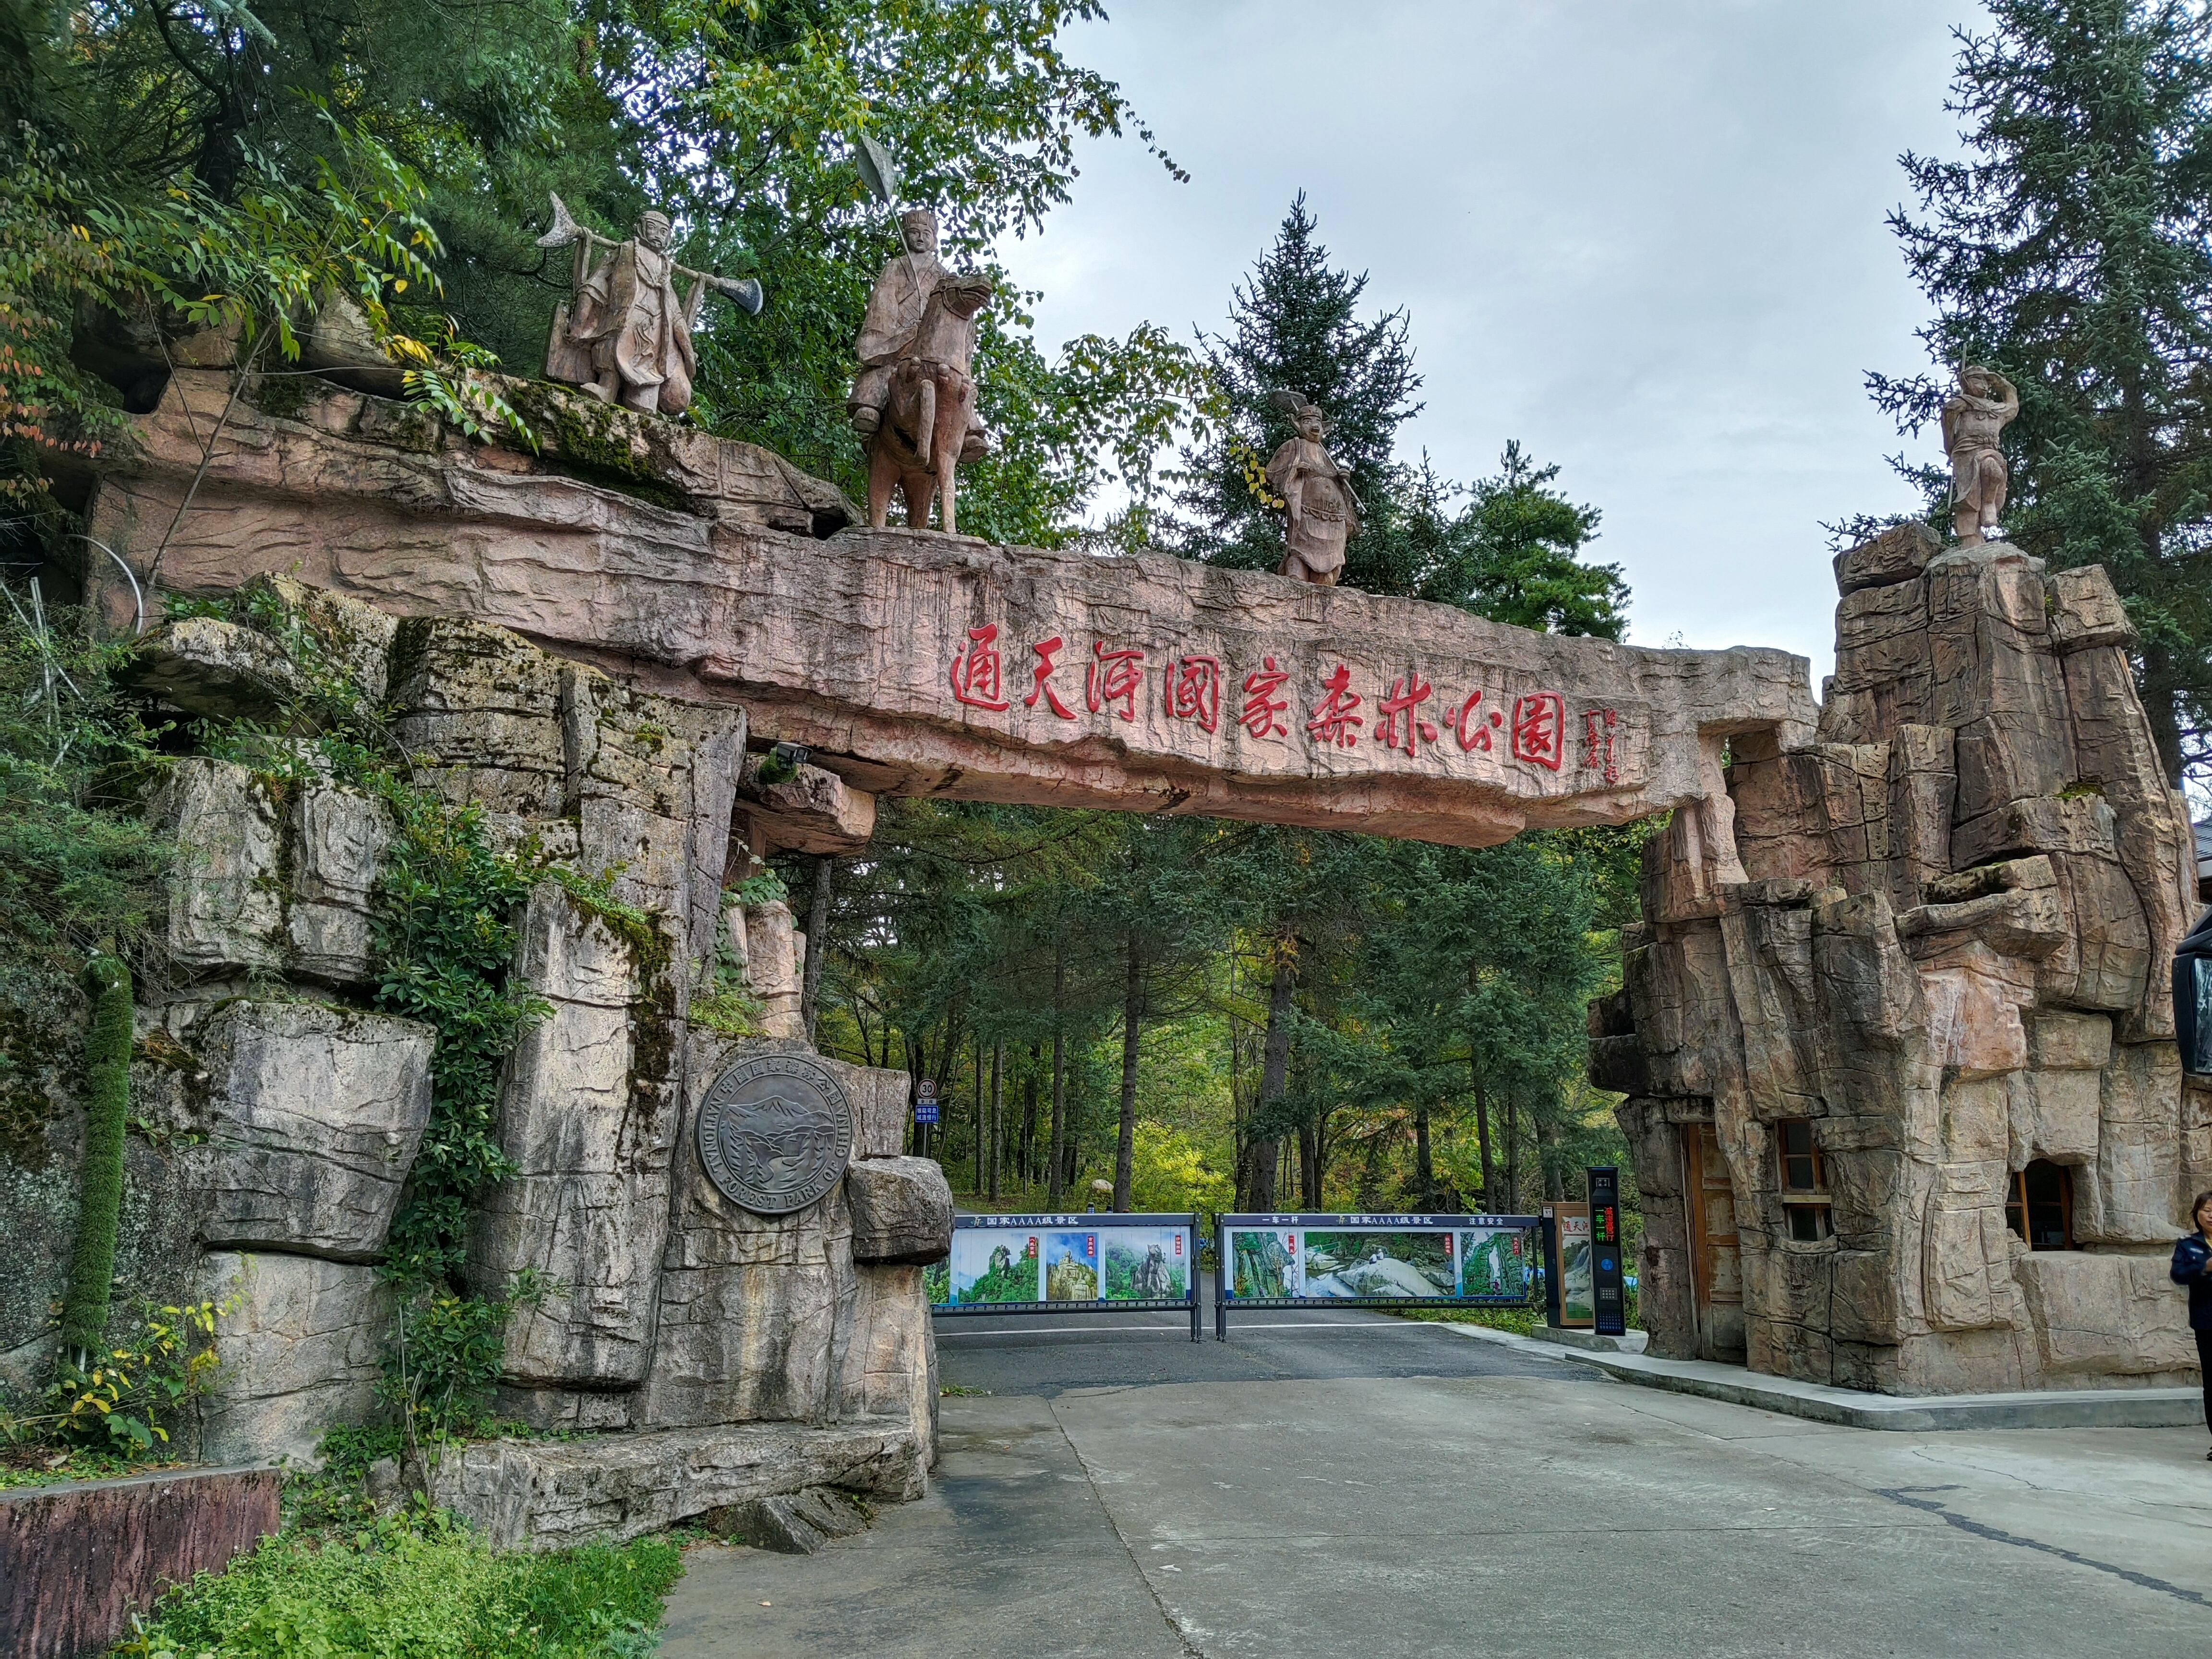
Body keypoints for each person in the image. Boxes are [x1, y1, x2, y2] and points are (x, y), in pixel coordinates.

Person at [1264, 395, 1362, 585]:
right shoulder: (1295, 446)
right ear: (1297, 424)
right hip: (1307, 514)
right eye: (1308, 422)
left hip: (1333, 519)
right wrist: (1295, 468)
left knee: (1327, 571)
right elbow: (1271, 472)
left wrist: (1341, 479)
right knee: (1300, 554)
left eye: (1318, 422)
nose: (1314, 427)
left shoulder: (1325, 456)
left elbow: (1333, 477)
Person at [1940, 365, 2020, 547]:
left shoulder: (1995, 409)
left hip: (1991, 450)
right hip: (1966, 451)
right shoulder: (1961, 404)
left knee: (1994, 472)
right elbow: (1948, 425)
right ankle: (1970, 537)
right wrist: (1952, 448)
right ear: (1967, 383)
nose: (1984, 386)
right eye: (1978, 380)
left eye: (1986, 382)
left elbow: (2013, 406)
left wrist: (2002, 384)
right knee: (1968, 495)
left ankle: (1989, 503)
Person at [2171, 1190, 2212, 1458]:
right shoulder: (2188, 1245)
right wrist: (2205, 1269)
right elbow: (2178, 1275)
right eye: (2207, 1210)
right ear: (2197, 1214)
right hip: (2208, 1322)